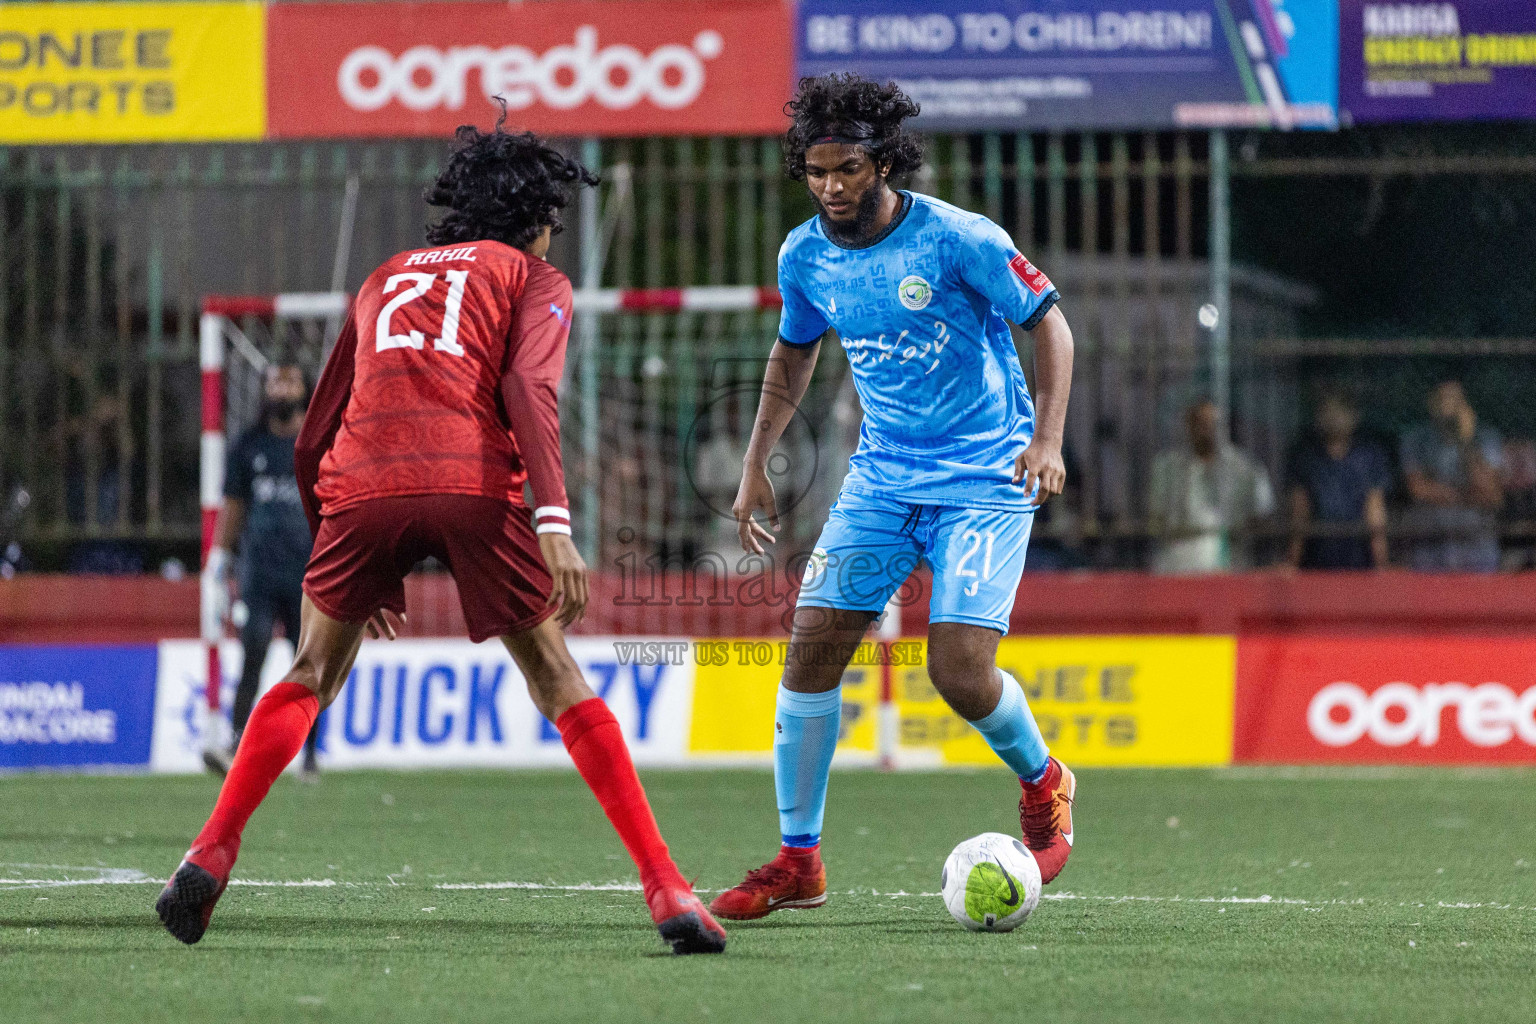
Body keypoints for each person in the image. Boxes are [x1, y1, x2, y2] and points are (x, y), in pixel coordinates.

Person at [155, 115, 727, 955]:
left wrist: (343, 558)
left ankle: (209, 851)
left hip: (359, 486)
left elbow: (313, 435)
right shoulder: (531, 275)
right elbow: (531, 388)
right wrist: (556, 522)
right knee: (557, 676)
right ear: (538, 220)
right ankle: (667, 887)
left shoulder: (384, 277)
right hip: (471, 482)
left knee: (312, 669)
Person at [709, 74, 1078, 922]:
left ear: (883, 162)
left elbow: (1050, 323)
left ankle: (1045, 781)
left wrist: (1047, 439)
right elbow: (795, 351)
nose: (831, 186)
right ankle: (798, 860)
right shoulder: (803, 254)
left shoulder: (959, 238)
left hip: (985, 479)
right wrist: (756, 458)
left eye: (846, 169)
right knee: (808, 652)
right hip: (882, 480)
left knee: (955, 669)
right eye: (816, 170)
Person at [203, 364, 320, 779]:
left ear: (305, 387)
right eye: (274, 380)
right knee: (253, 649)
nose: (281, 388)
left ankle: (308, 755)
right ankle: (236, 742)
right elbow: (233, 506)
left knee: (307, 662)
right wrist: (219, 558)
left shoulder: (317, 445)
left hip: (310, 573)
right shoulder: (248, 446)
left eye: (290, 379)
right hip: (259, 572)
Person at [1147, 399, 1274, 574]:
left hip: (1230, 565)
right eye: (1198, 422)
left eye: (1211, 423)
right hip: (1177, 564)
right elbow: (1157, 517)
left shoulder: (1245, 468)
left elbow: (1262, 515)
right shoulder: (1167, 467)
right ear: (1188, 425)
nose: (1205, 430)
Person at [1400, 379, 1504, 571]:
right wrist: (1467, 496)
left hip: (1476, 548)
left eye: (1455, 399)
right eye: (1442, 398)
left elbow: (1490, 494)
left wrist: (1466, 440)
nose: (1448, 405)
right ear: (1431, 403)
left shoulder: (1486, 437)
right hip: (1431, 547)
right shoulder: (1415, 439)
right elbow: (1419, 490)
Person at [1284, 391, 1391, 570]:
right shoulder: (1305, 457)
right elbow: (1300, 511)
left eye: (1340, 412)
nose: (1333, 418)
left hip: (1359, 557)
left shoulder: (1370, 456)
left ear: (1354, 417)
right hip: (1316, 557)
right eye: (1327, 411)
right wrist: (1292, 562)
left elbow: (1375, 512)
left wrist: (1382, 564)